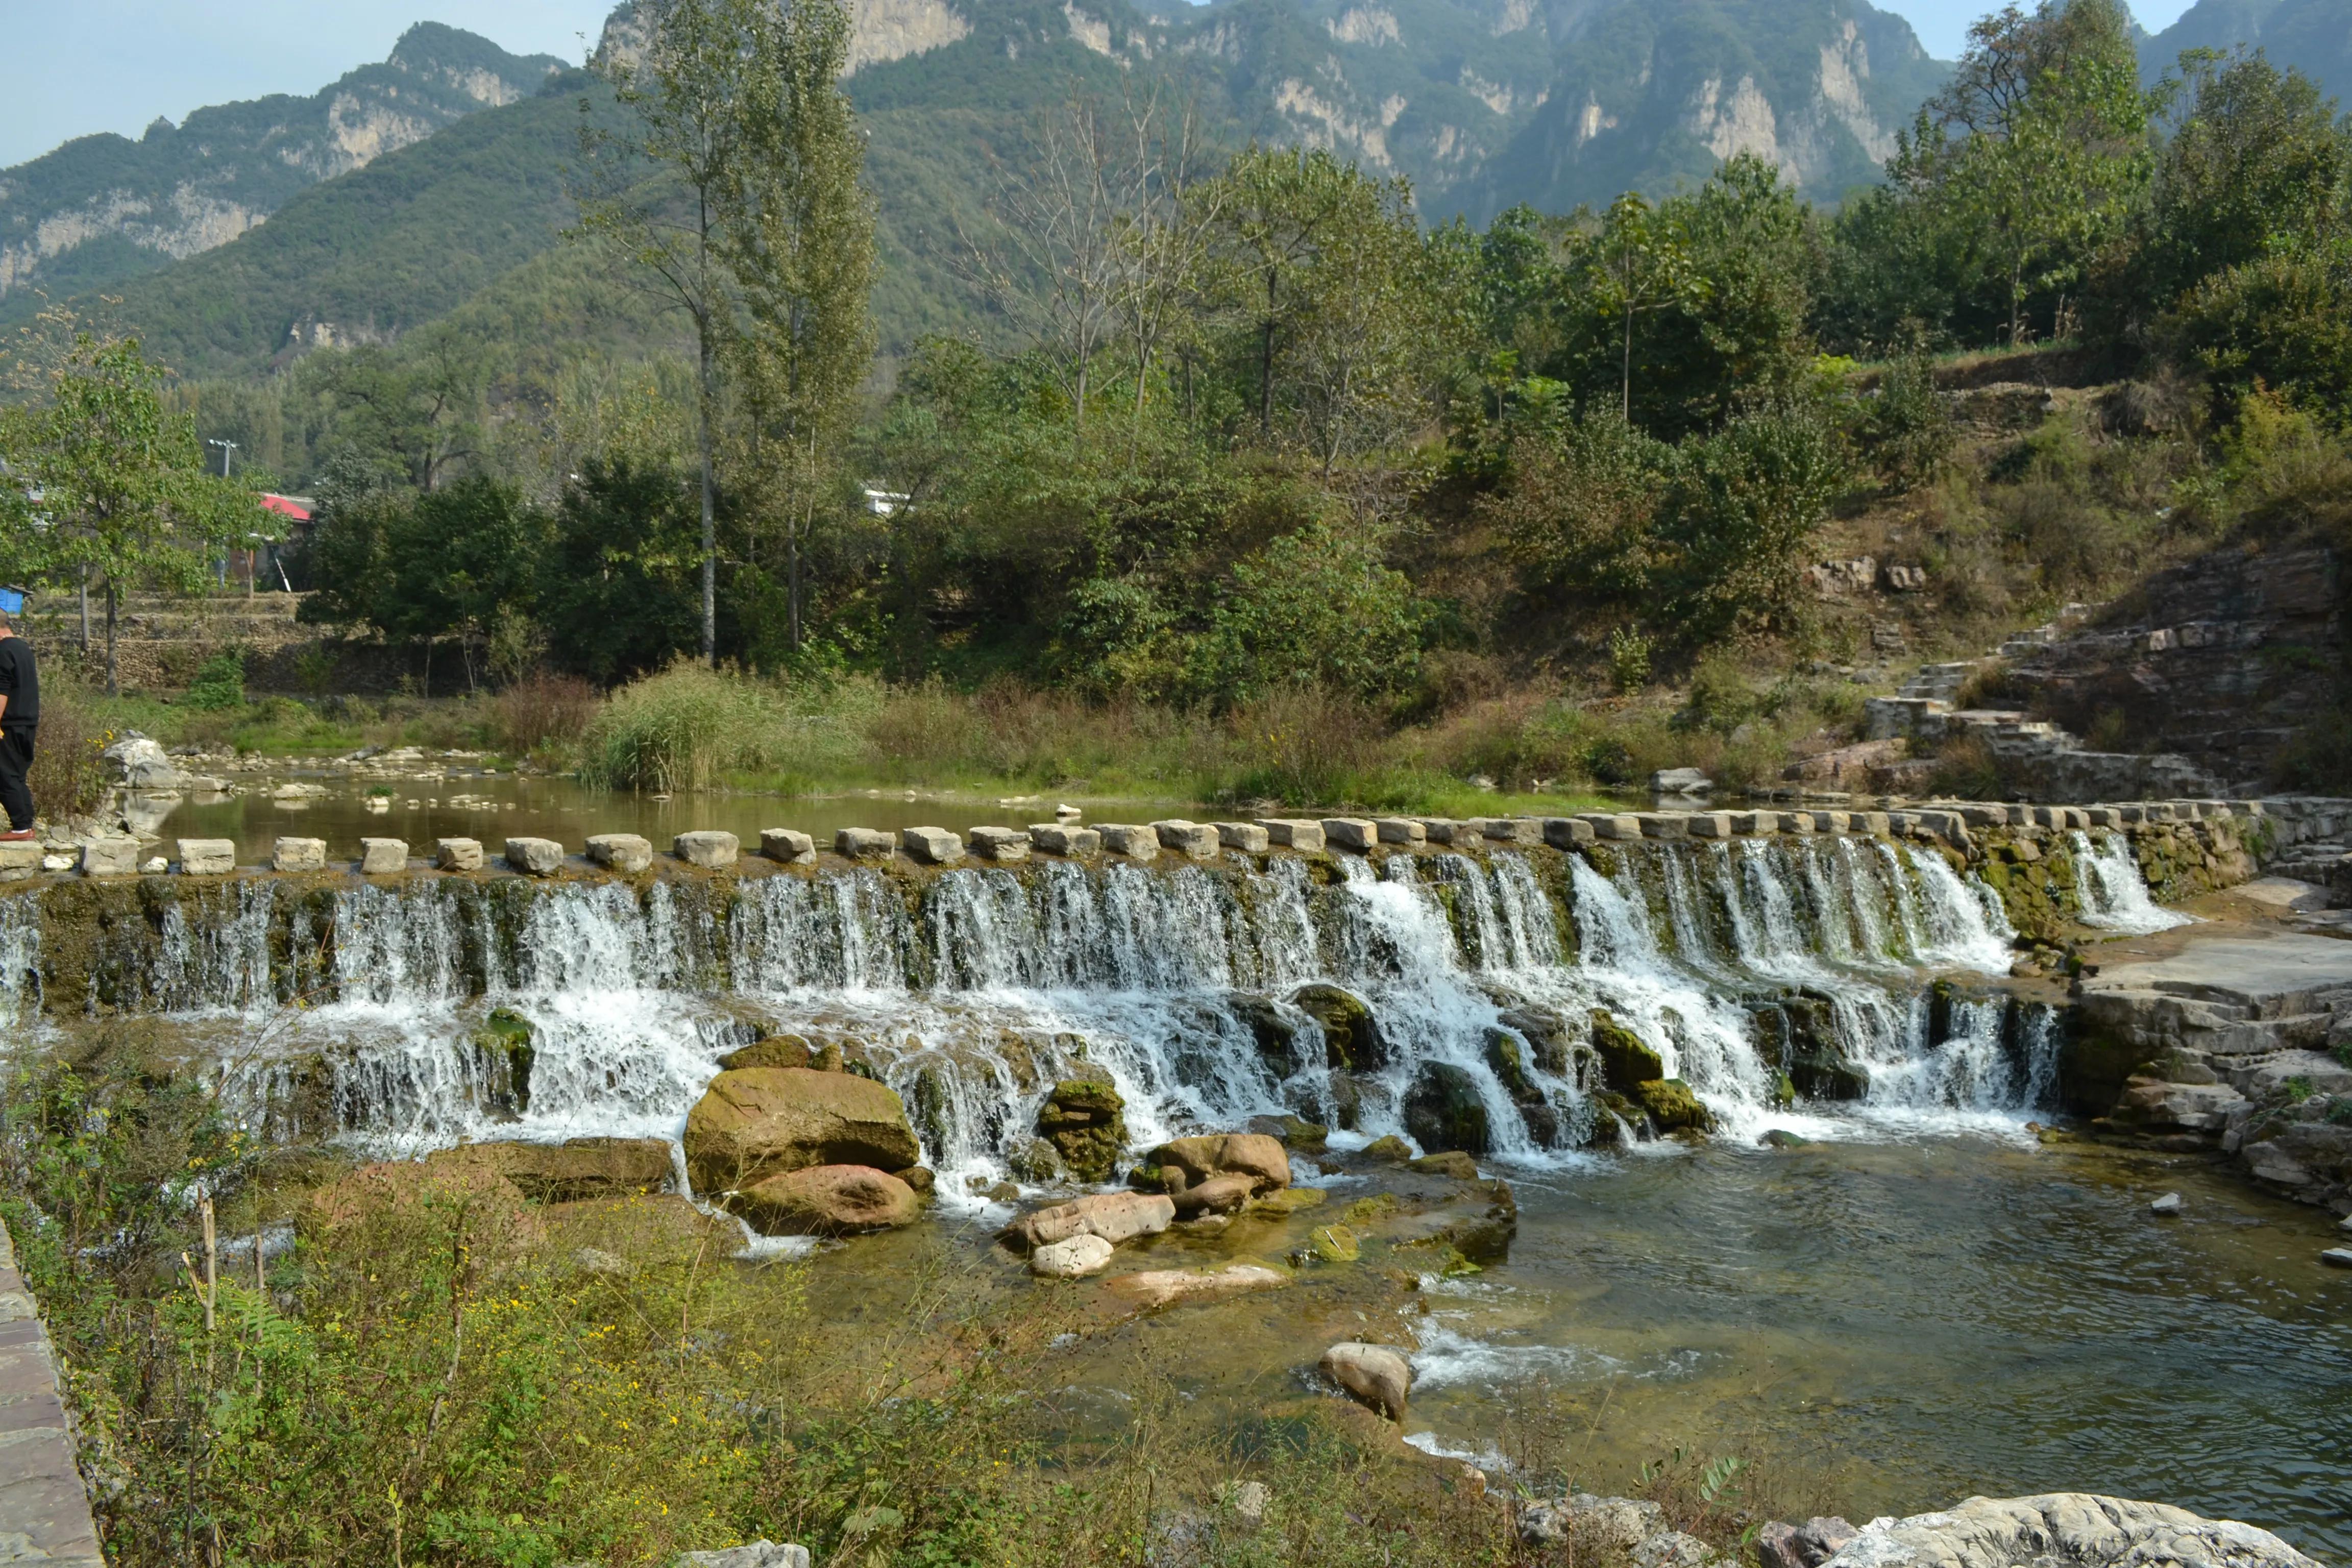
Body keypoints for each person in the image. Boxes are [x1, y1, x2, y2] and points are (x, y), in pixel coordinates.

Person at [0, 590, 37, 842]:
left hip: (10, 723)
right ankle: (26, 826)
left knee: (3, 774)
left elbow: (1, 690)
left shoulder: (3, 651)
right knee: (17, 775)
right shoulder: (23, 648)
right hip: (28, 721)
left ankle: (21, 829)